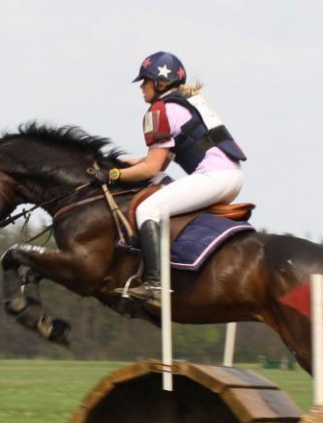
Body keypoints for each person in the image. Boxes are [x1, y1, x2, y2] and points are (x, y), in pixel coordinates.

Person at [98, 51, 247, 305]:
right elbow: (158, 163)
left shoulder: (159, 110)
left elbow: (150, 169)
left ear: (159, 82)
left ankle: (155, 284)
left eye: (144, 81)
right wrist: (122, 162)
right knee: (161, 186)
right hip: (230, 177)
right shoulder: (185, 102)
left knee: (147, 210)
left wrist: (112, 175)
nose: (141, 88)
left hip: (214, 177)